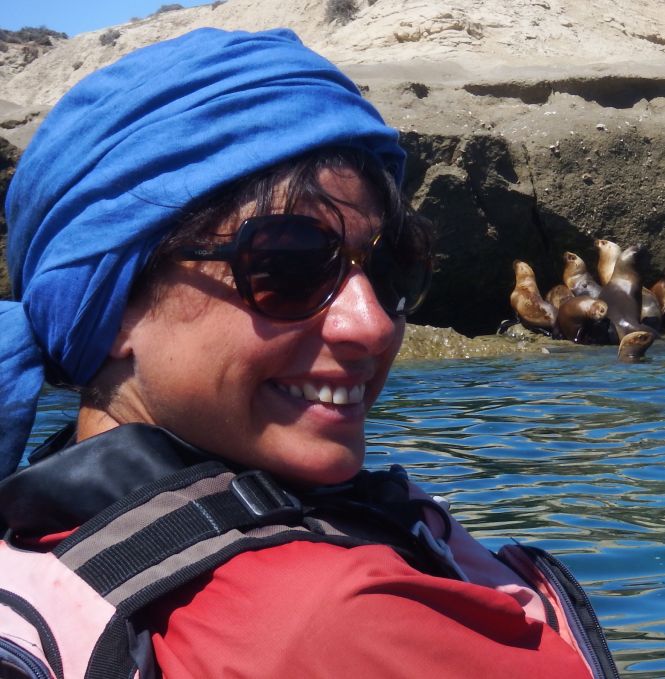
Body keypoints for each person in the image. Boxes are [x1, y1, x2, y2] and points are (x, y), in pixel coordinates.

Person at [0, 28, 616, 678]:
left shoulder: (41, 540)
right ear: (114, 302)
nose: (372, 323)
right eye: (289, 265)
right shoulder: (337, 621)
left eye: (393, 267)